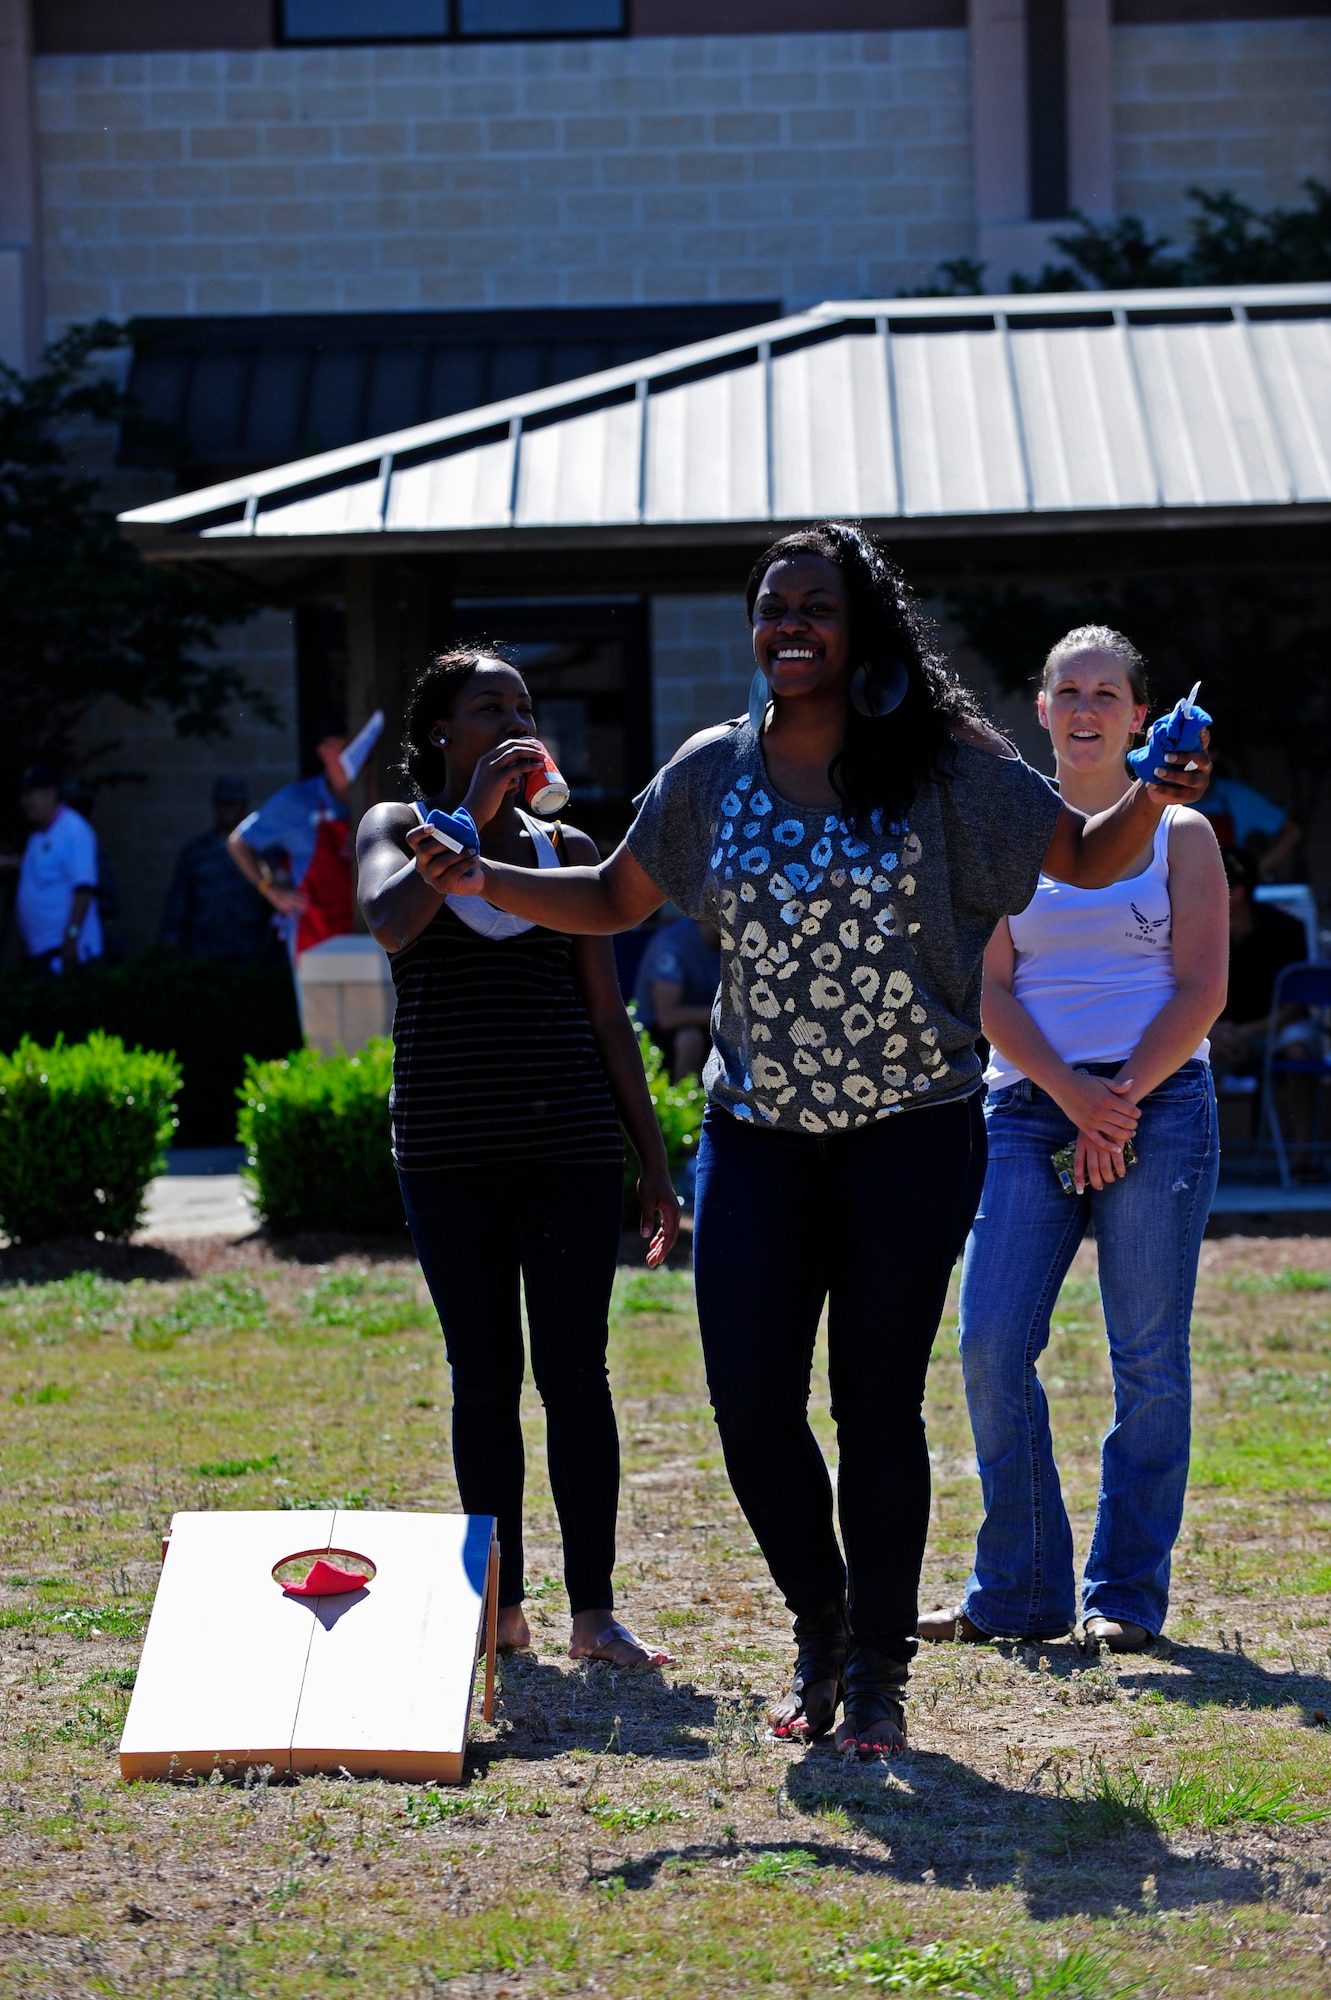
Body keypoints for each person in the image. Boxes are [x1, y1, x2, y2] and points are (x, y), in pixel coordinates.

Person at [412, 523, 1213, 1756]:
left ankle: (878, 1668)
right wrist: (483, 878)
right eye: (769, 605)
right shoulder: (711, 773)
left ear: (861, 628)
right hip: (759, 1133)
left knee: (874, 1406)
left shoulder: (944, 763)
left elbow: (1084, 849)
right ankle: (822, 1617)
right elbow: (614, 895)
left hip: (910, 1128)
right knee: (747, 1403)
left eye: (814, 605)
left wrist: (1155, 794)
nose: (788, 624)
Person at [357, 651, 682, 1671]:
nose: (513, 720)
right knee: (482, 1377)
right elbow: (389, 922)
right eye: (487, 707)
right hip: (448, 1147)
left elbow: (606, 1014)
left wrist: (654, 1161)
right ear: (441, 733)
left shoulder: (568, 847)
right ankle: (497, 1610)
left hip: (569, 1144)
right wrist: (464, 806)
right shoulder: (394, 828)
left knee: (575, 1375)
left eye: (525, 707)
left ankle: (594, 1612)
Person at [919, 627, 1227, 1658]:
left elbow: (1200, 986)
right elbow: (988, 987)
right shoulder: (1011, 826)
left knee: (1147, 1357)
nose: (1086, 707)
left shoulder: (1180, 832)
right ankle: (1019, 1588)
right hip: (1029, 1107)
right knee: (990, 1343)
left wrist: (1120, 1097)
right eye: (1066, 690)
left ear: (1141, 715)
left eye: (1106, 691)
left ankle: (1124, 1594)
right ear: (1040, 709)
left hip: (1160, 1103)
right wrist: (1072, 1097)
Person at [226, 721, 353, 959]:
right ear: (323, 752)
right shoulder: (297, 800)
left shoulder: (376, 797)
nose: (348, 757)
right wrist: (269, 888)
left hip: (368, 934)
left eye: (353, 749)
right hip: (315, 937)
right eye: (341, 748)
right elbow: (238, 842)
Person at [161, 775, 275, 966]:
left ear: (244, 806)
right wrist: (170, 940)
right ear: (215, 805)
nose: (228, 809)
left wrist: (268, 944)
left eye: (234, 803)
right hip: (203, 949)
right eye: (223, 803)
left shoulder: (262, 852)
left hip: (248, 949)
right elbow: (178, 899)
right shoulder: (196, 850)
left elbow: (272, 901)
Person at [12, 764, 102, 973]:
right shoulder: (38, 835)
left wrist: (71, 937)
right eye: (23, 795)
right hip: (42, 951)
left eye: (30, 795)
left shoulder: (74, 830)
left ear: (50, 793)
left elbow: (84, 889)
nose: (25, 803)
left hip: (68, 952)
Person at [631, 912, 721, 1080]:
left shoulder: (736, 947)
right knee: (690, 1039)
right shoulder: (672, 943)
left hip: (710, 1027)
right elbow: (667, 1016)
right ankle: (687, 1103)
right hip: (654, 1035)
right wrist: (730, 1016)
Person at [1198, 758, 1300, 880]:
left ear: (1213, 755)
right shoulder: (1172, 799)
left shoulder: (1236, 795)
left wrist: (1255, 870)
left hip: (1228, 883)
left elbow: (1293, 831)